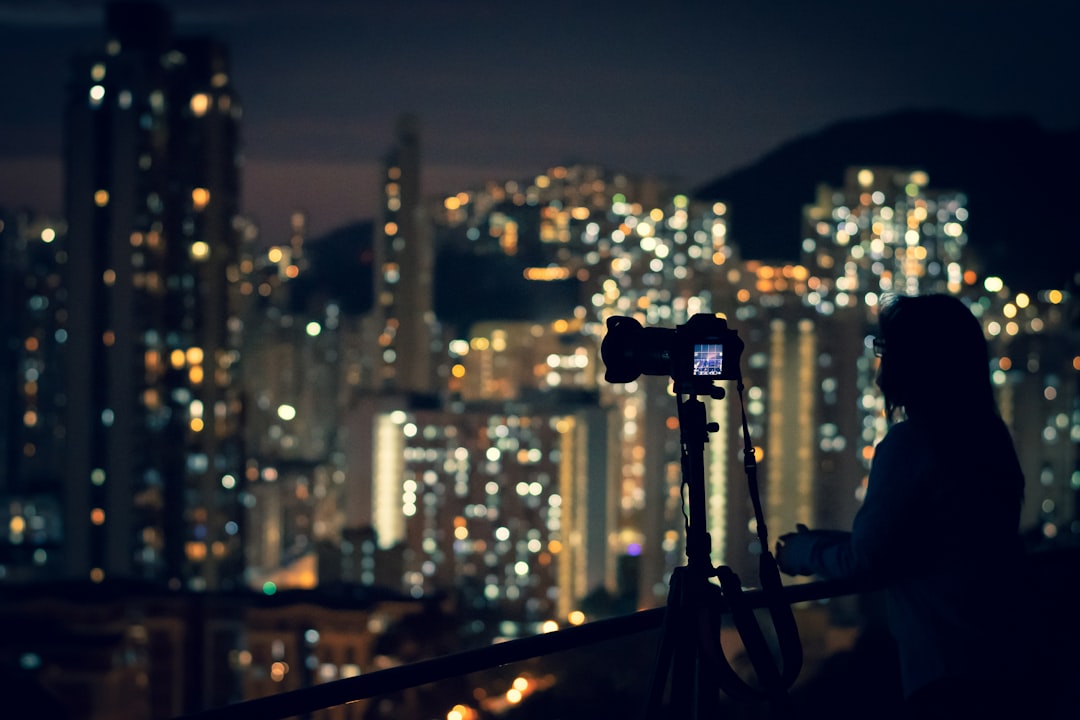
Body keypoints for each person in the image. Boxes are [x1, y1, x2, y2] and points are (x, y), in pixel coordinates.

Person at [775, 293, 1030, 718]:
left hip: (945, 677)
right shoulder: (988, 437)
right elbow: (921, 541)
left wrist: (800, 554)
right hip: (1002, 660)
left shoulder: (912, 443)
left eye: (886, 349)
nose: (881, 363)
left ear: (914, 361)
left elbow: (867, 558)